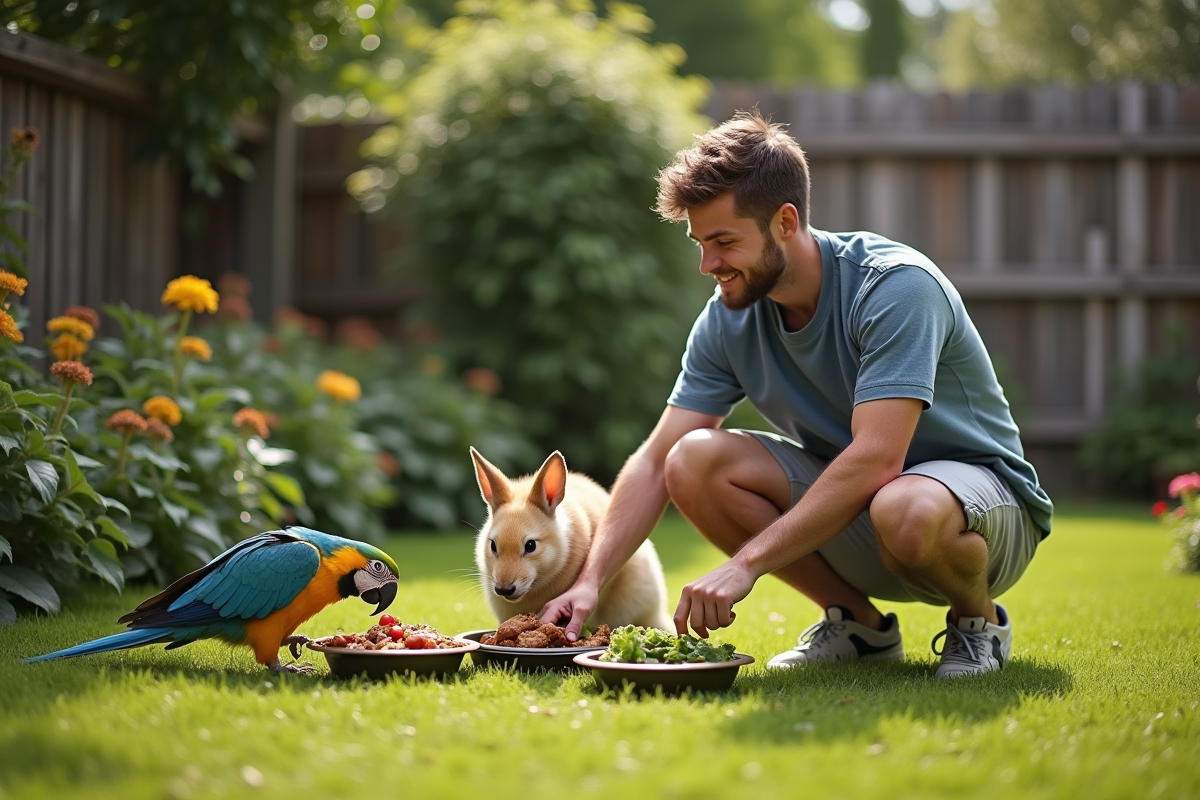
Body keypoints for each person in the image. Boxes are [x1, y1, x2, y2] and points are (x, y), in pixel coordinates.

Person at [540, 110, 1053, 677]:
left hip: (980, 514)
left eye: (724, 241)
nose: (708, 264)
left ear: (785, 221)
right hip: (864, 508)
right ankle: (858, 626)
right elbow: (658, 459)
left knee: (904, 504)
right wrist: (589, 583)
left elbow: (879, 458)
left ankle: (979, 623)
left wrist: (745, 566)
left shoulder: (896, 287)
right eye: (700, 244)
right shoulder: (727, 319)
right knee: (691, 459)